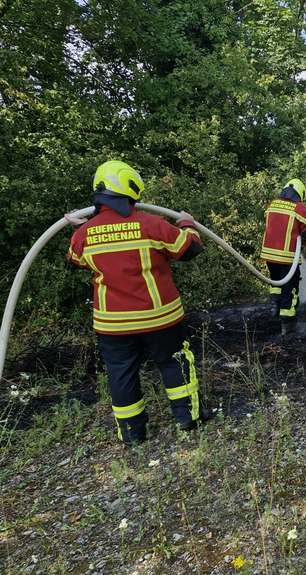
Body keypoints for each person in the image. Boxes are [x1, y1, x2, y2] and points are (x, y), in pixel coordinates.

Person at [65, 160, 211, 445]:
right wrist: (186, 223)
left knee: (120, 373)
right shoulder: (152, 223)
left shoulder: (83, 234)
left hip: (113, 324)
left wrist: (83, 227)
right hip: (159, 317)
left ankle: (132, 434)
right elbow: (189, 248)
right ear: (131, 188)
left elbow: (77, 259)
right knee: (173, 362)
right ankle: (188, 417)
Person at [259, 178, 306, 335]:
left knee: (276, 282)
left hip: (269, 255)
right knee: (290, 290)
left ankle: (274, 308)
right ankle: (288, 325)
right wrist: (301, 245)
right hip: (287, 257)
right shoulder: (300, 209)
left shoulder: (272, 204)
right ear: (300, 192)